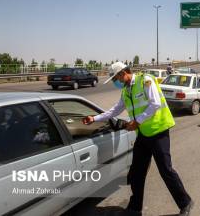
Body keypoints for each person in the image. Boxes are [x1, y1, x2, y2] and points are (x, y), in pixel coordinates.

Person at [82, 62, 193, 216]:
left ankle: (185, 202)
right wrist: (94, 118)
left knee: (165, 170)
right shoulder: (126, 91)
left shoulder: (145, 80)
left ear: (122, 73)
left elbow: (155, 104)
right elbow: (115, 110)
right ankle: (135, 208)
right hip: (143, 134)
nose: (116, 82)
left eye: (116, 78)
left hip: (159, 131)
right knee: (136, 172)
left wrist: (137, 121)